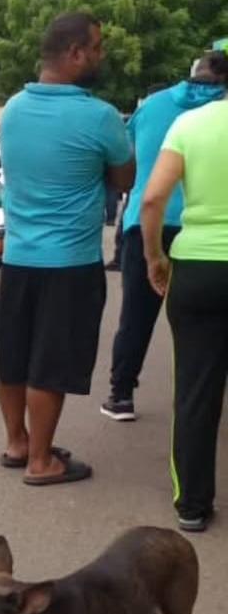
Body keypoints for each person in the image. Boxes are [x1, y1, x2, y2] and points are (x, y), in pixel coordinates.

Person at [0, 13, 134, 484]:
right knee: (50, 363)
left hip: (17, 257)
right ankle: (41, 461)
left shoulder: (12, 110)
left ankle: (17, 442)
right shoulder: (100, 117)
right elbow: (124, 178)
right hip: (70, 262)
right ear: (74, 53)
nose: (100, 55)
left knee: (13, 355)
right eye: (96, 47)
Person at [102, 56, 225, 421]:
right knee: (209, 319)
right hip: (203, 231)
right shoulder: (219, 113)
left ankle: (121, 394)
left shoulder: (152, 106)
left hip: (146, 223)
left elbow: (127, 161)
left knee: (136, 315)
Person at [142, 49, 228, 532]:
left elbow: (153, 198)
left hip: (196, 268)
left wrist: (155, 257)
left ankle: (192, 505)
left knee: (195, 391)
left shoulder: (190, 125)